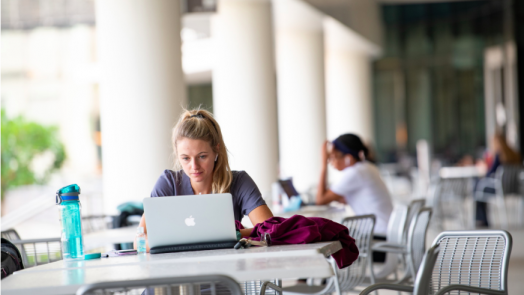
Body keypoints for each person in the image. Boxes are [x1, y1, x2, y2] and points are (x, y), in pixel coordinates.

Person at [135, 109, 273, 252]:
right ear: (177, 155)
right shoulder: (168, 184)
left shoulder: (239, 182)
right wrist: (219, 236)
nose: (194, 167)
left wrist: (236, 234)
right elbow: (138, 242)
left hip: (228, 268)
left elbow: (270, 229)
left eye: (202, 156)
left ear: (216, 150)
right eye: (186, 158)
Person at [316, 133, 393, 261]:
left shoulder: (354, 172)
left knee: (323, 247)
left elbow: (320, 200)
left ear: (348, 158)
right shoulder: (367, 168)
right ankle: (316, 281)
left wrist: (323, 165)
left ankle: (310, 280)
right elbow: (342, 198)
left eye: (333, 157)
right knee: (329, 240)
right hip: (386, 240)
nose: (331, 162)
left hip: (377, 244)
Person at [476, 133, 521, 227]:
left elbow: (490, 173)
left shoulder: (499, 155)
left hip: (499, 187)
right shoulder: (515, 154)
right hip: (516, 187)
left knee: (477, 189)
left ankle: (482, 220)